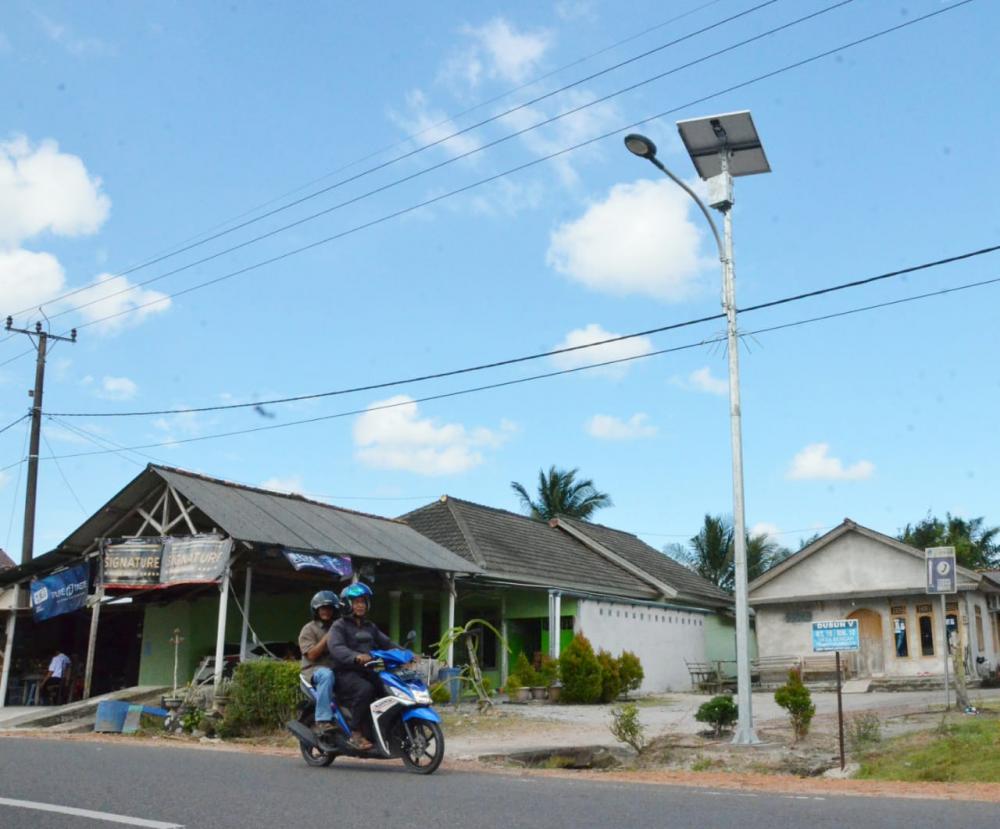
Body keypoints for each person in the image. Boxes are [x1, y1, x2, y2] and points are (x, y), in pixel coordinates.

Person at [328, 582, 397, 751]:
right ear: (348, 604)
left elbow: (387, 643)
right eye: (356, 602)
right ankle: (355, 733)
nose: (360, 605)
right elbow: (336, 648)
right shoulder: (339, 626)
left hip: (368, 670)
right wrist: (355, 656)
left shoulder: (370, 626)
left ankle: (383, 730)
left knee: (387, 689)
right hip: (345, 673)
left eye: (363, 601)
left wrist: (407, 653)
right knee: (365, 689)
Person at [298, 591, 341, 736]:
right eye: (322, 608)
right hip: (314, 671)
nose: (326, 611)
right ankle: (322, 720)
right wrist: (328, 636)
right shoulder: (309, 629)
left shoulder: (338, 627)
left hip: (335, 669)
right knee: (326, 675)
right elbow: (312, 655)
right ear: (316, 610)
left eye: (329, 608)